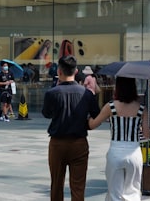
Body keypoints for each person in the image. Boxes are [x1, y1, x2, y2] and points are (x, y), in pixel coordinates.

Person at [43, 55, 101, 201]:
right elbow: (96, 116)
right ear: (75, 71)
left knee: (56, 184)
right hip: (79, 143)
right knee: (78, 186)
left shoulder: (51, 93)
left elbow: (47, 114)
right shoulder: (86, 94)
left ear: (59, 72)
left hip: (57, 143)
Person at [88, 76, 148, 201]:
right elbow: (147, 134)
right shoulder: (141, 108)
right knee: (133, 192)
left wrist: (87, 116)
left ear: (118, 87)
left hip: (115, 151)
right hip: (134, 152)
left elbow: (93, 124)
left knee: (114, 194)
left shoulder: (111, 106)